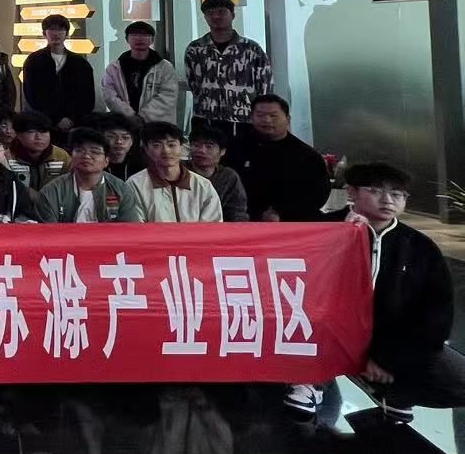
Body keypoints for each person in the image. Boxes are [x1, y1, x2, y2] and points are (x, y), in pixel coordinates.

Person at [287, 163, 465, 422]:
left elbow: (438, 313)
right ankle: (310, 380)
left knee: (459, 380)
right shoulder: (319, 229)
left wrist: (388, 359)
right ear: (352, 192)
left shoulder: (418, 246)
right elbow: (292, 286)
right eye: (375, 191)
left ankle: (390, 389)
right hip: (323, 333)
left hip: (387, 339)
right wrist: (340, 238)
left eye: (397, 194)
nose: (387, 200)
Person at [224, 94, 333, 222]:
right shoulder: (235, 147)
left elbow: (318, 195)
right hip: (240, 221)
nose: (266, 120)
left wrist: (281, 212)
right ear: (252, 118)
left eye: (273, 116)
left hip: (290, 223)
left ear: (288, 119)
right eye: (260, 115)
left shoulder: (307, 155)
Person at [183, 0, 273, 140]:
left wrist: (262, 116)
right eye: (210, 13)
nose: (216, 17)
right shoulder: (195, 48)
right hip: (205, 117)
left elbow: (265, 85)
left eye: (221, 12)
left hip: (244, 120)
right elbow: (193, 82)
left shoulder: (251, 49)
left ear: (233, 15)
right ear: (205, 17)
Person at [126, 120, 223, 222]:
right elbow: (136, 226)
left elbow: (212, 226)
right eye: (157, 145)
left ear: (182, 147)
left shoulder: (203, 186)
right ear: (146, 149)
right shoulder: (135, 185)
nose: (166, 151)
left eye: (171, 145)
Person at [36, 127, 135, 223]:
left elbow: (128, 229)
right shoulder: (52, 191)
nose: (86, 156)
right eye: (79, 151)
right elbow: (48, 230)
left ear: (106, 161)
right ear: (71, 156)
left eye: (95, 152)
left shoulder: (121, 190)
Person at [20, 15, 95, 131]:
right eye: (51, 29)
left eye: (60, 29)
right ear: (44, 33)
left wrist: (72, 118)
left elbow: (87, 97)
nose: (56, 33)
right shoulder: (34, 60)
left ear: (67, 33)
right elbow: (31, 94)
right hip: (43, 124)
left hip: (75, 126)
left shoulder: (80, 63)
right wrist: (55, 119)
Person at [103, 21, 180, 125]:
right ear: (127, 39)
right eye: (134, 35)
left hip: (157, 124)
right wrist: (129, 115)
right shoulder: (114, 68)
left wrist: (142, 117)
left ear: (152, 40)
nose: (139, 38)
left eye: (145, 35)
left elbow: (167, 96)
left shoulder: (165, 67)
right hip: (125, 123)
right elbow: (109, 95)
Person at [188, 125, 249, 222]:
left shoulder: (229, 176)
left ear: (222, 151)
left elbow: (237, 211)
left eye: (209, 146)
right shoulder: (180, 170)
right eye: (196, 145)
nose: (201, 150)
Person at [3, 111, 70, 191]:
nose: (39, 137)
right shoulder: (6, 157)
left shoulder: (61, 156)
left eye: (43, 132)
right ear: (18, 135)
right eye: (31, 132)